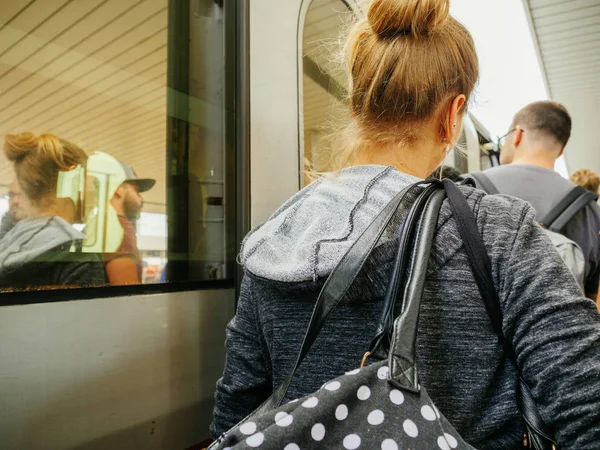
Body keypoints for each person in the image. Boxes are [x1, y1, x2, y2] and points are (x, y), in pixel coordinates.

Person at [211, 0, 600, 447]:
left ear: (358, 105)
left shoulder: (275, 237)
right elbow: (586, 408)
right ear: (453, 116)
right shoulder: (498, 231)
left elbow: (234, 415)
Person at [473, 101, 600, 300]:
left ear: (517, 135)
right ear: (560, 152)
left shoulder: (469, 187)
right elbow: (590, 295)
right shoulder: (589, 209)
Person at [0, 132, 105, 289]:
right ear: (72, 178)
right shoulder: (77, 255)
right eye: (90, 180)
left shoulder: (7, 244)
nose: (94, 194)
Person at [104, 163, 155, 285]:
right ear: (118, 189)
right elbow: (127, 297)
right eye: (136, 190)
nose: (142, 199)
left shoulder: (100, 226)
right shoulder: (118, 230)